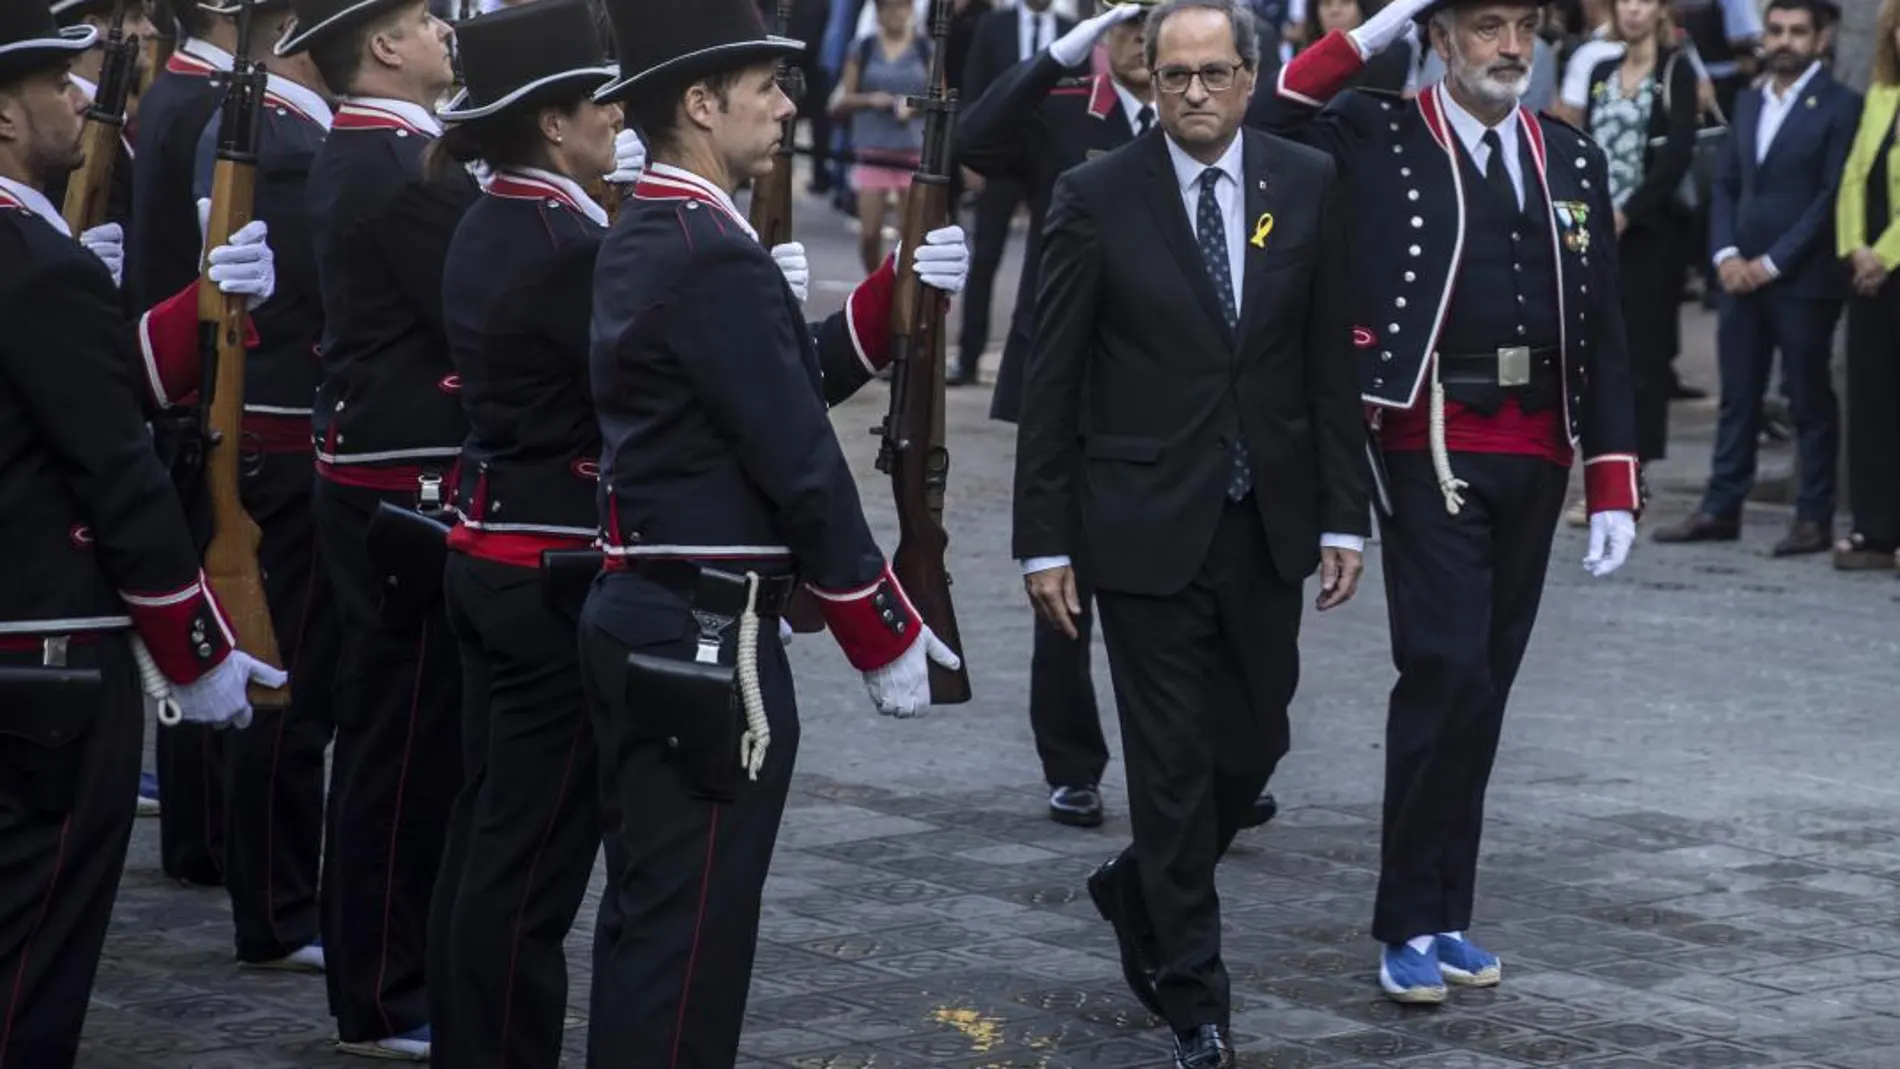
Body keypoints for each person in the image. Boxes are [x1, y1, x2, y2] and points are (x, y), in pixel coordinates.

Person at [583, 0, 972, 1064]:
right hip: (707, 635)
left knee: (653, 920)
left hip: (651, 615)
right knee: (688, 939)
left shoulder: (661, 223)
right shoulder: (709, 247)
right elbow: (798, 459)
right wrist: (881, 625)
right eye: (767, 84)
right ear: (700, 104)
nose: (789, 102)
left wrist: (891, 297)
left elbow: (764, 384)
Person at [1254, 0, 1640, 1003]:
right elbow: (1269, 114)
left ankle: (1446, 908)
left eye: (1521, 26)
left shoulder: (1571, 157)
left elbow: (1605, 323)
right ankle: (1403, 918)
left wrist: (1611, 476)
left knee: (1487, 684)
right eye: (1482, 26)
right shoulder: (1377, 128)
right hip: (1427, 438)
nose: (1508, 46)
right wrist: (1375, 27)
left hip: (1538, 444)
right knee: (1443, 667)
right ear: (1438, 37)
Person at [1015, 0, 1368, 1062]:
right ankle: (1194, 991)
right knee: (1167, 765)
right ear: (1147, 82)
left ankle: (1138, 888)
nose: (1196, 93)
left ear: (1251, 79)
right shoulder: (1093, 196)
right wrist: (1044, 538)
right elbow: (1052, 377)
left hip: (1267, 519)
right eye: (1175, 75)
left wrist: (1348, 513)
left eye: (1215, 72)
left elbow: (1327, 366)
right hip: (1140, 527)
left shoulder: (1303, 183)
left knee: (1253, 742)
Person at [0, 9, 283, 1065]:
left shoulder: (38, 258)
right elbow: (113, 466)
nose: (79, 98)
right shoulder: (34, 260)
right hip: (46, 658)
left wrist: (200, 305)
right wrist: (197, 652)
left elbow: (56, 391)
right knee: (33, 960)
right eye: (54, 83)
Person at [420, 3, 636, 1065]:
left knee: (488, 831)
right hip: (545, 576)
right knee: (531, 858)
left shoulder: (494, 214)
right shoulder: (568, 244)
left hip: (487, 550)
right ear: (554, 123)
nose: (615, 117)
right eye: (601, 101)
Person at [277, 0, 470, 1058]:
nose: (447, 27)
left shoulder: (391, 153)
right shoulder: (395, 166)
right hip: (400, 484)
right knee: (400, 747)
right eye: (425, 17)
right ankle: (383, 989)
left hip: (379, 467)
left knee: (401, 736)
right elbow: (476, 302)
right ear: (384, 46)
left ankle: (388, 971)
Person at [134, 0, 340, 977]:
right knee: (278, 684)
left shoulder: (270, 123)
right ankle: (277, 902)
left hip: (262, 432)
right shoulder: (279, 138)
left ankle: (238, 861)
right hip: (277, 442)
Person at [1651, 0, 1858, 557]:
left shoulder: (1842, 106)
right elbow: (1726, 184)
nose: (1784, 41)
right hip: (1737, 274)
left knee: (1809, 401)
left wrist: (1770, 264)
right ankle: (1721, 508)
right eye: (1775, 30)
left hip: (1803, 279)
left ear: (1820, 39)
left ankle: (1813, 517)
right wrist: (1722, 254)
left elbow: (1830, 197)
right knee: (1737, 398)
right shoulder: (1746, 100)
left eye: (1797, 32)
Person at [129, 0, 246, 888]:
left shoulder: (178, 89)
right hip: (189, 373)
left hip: (177, 372)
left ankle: (197, 829)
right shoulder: (200, 97)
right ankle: (205, 832)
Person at [1581, 0, 1696, 465]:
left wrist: (1629, 210)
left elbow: (1678, 153)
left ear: (1661, 11)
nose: (1632, 10)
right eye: (1624, 1)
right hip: (1601, 233)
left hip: (1651, 233)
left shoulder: (1676, 70)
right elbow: (1589, 143)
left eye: (1643, 1)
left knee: (1644, 356)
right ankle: (1603, 463)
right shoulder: (1602, 70)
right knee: (1600, 352)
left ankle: (1636, 471)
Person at [958, 0, 1072, 385]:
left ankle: (1030, 365)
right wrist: (967, 158)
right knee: (985, 256)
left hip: (1051, 157)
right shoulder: (994, 25)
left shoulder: (1070, 27)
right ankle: (968, 357)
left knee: (1045, 261)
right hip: (1001, 158)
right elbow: (974, 87)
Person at [1831, 0, 1900, 574]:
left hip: (1891, 263)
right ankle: (1874, 528)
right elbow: (1854, 175)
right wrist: (1855, 248)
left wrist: (1884, 254)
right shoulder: (1880, 97)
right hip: (1870, 277)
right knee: (1870, 400)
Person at [829, 0, 930, 273]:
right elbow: (843, 100)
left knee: (909, 233)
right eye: (888, 8)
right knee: (870, 232)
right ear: (878, 13)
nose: (895, 14)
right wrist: (871, 100)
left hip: (910, 150)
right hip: (872, 148)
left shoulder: (925, 48)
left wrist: (912, 106)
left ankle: (904, 288)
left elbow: (939, 98)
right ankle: (874, 282)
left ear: (911, 11)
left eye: (901, 8)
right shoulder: (863, 47)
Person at [45, 0, 155, 228]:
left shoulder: (102, 112)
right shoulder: (67, 126)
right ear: (94, 26)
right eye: (136, 19)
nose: (150, 30)